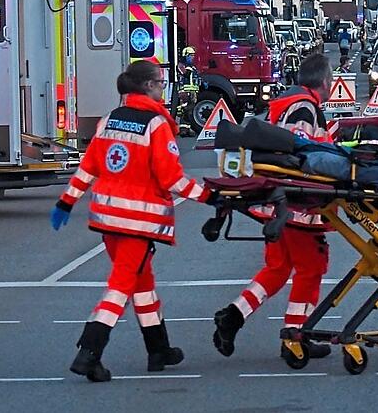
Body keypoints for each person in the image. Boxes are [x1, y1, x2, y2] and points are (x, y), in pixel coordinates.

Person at [51, 61, 212, 382]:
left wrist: (66, 202)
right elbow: (173, 180)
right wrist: (211, 196)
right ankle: (89, 353)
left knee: (142, 284)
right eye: (161, 83)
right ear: (149, 87)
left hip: (108, 219)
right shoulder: (155, 125)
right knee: (121, 286)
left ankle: (158, 349)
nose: (164, 88)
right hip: (137, 223)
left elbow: (89, 167)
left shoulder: (109, 120)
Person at [212, 54, 336, 360]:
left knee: (278, 268)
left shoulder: (285, 103)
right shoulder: (305, 108)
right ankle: (296, 336)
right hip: (297, 205)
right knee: (311, 268)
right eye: (331, 81)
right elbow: (301, 152)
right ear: (324, 82)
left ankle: (233, 317)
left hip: (277, 202)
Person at [177, 47, 201, 136]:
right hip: (185, 91)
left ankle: (188, 128)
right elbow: (184, 74)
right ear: (186, 55)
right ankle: (183, 130)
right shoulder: (181, 65)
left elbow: (196, 78)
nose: (192, 57)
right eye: (191, 55)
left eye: (193, 55)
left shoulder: (193, 67)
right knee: (184, 111)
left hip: (193, 92)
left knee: (190, 111)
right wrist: (188, 70)